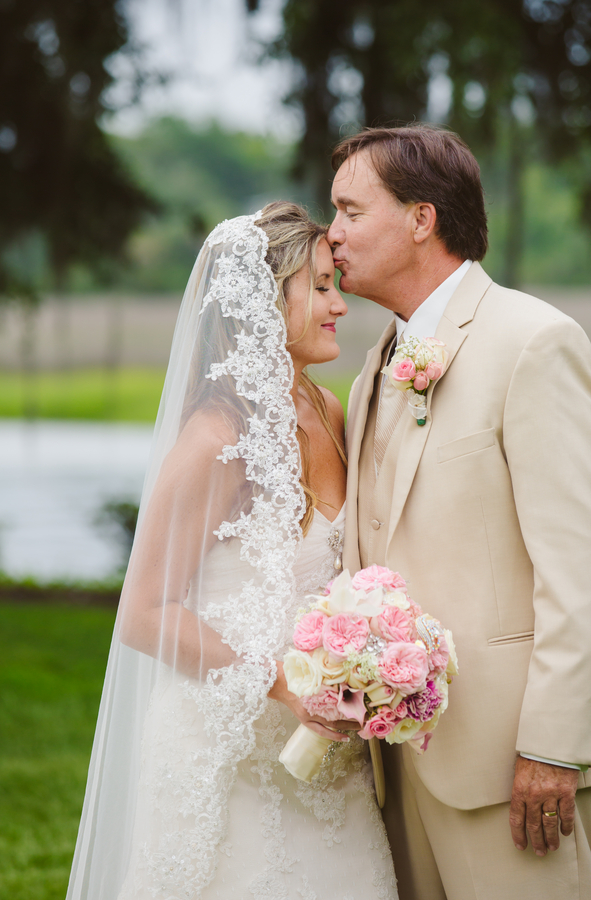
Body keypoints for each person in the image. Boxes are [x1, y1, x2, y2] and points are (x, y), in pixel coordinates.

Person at [66, 201, 398, 900]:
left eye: (337, 281)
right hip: (230, 753)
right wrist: (282, 681)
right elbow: (144, 612)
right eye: (320, 285)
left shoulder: (328, 410)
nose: (340, 303)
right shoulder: (215, 440)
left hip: (329, 757)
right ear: (264, 300)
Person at [329, 125, 591, 900]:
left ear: (421, 219)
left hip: (510, 767)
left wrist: (552, 746)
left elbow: (576, 569)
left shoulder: (533, 341)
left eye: (349, 210)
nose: (332, 234)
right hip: (396, 766)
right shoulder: (370, 370)